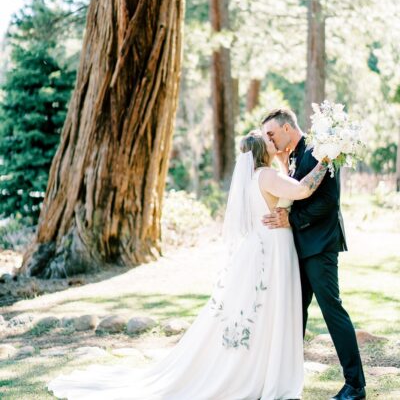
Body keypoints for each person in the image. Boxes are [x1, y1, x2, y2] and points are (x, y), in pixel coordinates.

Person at [48, 131, 328, 400]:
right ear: (259, 151)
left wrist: (281, 161)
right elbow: (303, 189)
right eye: (267, 139)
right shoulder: (267, 176)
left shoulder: (258, 176)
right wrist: (326, 159)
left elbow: (284, 187)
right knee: (268, 308)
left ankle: (263, 368)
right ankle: (262, 372)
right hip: (273, 249)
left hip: (264, 247)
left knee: (263, 309)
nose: (272, 140)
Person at [261, 108, 366, 400]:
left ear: (286, 128)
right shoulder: (293, 157)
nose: (269, 140)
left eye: (271, 134)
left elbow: (329, 202)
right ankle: (286, 379)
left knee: (332, 311)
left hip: (320, 246)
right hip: (301, 248)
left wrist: (290, 220)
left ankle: (355, 386)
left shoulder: (317, 150)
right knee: (295, 313)